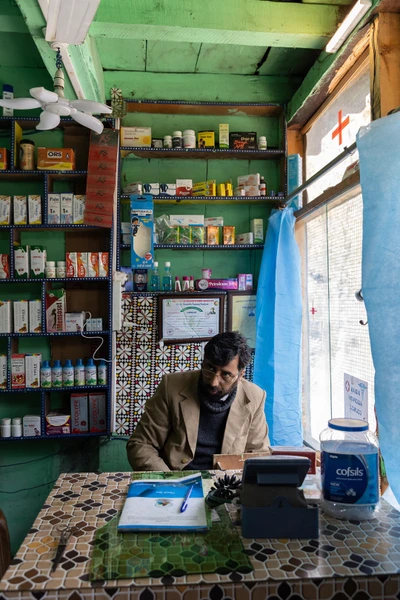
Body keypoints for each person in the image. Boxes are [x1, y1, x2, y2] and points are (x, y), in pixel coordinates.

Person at [126, 331, 269, 471]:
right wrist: (169, 481)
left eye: (225, 374)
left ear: (240, 375)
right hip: (176, 478)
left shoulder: (255, 396)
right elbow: (141, 444)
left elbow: (259, 455)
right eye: (209, 368)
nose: (213, 382)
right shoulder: (171, 386)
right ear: (203, 362)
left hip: (226, 484)